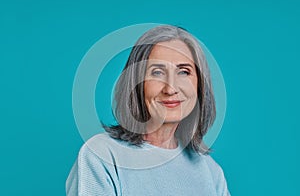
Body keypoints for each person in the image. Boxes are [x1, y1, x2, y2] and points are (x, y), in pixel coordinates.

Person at [66, 25, 230, 196]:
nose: (171, 88)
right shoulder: (101, 156)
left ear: (199, 86)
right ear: (136, 84)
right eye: (157, 72)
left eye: (183, 72)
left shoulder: (211, 172)